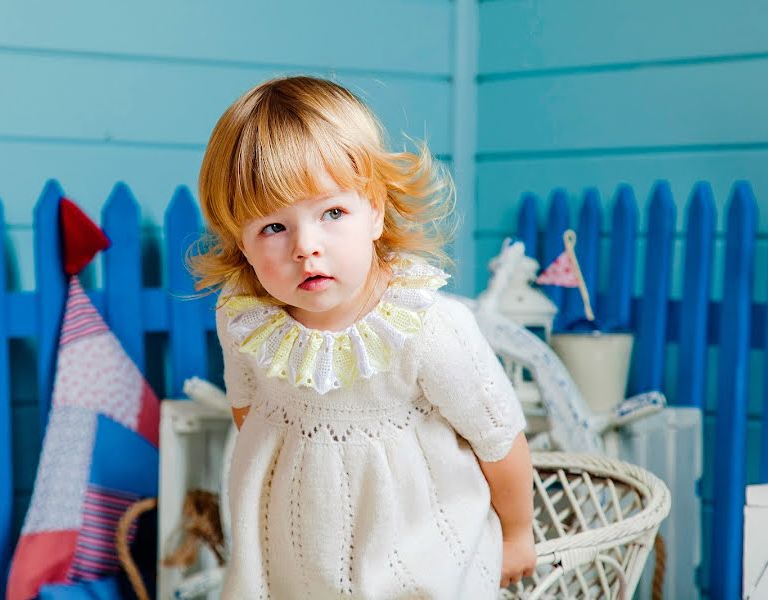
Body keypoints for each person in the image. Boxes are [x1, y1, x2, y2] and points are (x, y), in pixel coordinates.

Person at [189, 75, 535, 599]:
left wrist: (516, 533)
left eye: (332, 213)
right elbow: (249, 410)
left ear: (374, 210)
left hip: (421, 555)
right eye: (273, 228)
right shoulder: (245, 320)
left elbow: (500, 440)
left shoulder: (425, 328)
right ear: (241, 242)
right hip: (296, 553)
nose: (306, 246)